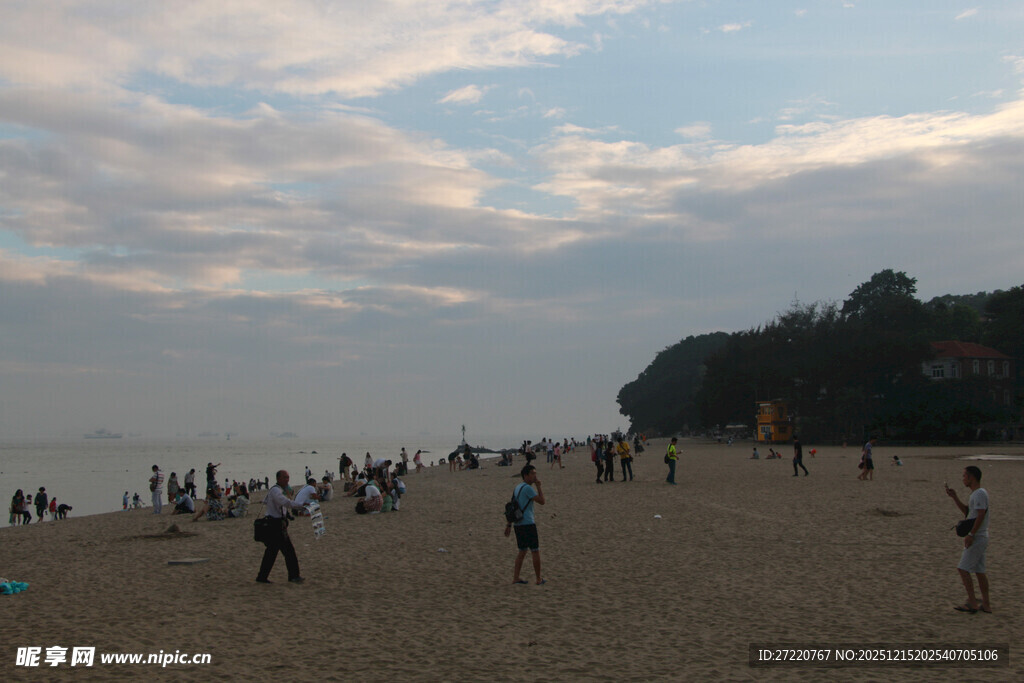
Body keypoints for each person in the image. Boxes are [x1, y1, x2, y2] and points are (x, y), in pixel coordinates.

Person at [945, 466, 991, 613]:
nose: (963, 478)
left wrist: (971, 535)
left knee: (963, 569)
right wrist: (955, 497)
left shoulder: (979, 494)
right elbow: (968, 513)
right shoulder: (976, 494)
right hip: (980, 536)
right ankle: (986, 604)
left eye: (964, 476)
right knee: (979, 570)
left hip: (978, 536)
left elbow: (981, 515)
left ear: (971, 478)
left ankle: (972, 603)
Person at [256, 470, 305, 584]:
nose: (287, 479)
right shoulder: (275, 490)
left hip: (278, 523)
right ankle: (293, 576)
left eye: (288, 477)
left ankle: (262, 576)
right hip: (274, 525)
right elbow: (285, 502)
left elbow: (274, 502)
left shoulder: (279, 490)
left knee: (272, 552)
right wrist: (301, 505)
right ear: (278, 478)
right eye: (284, 477)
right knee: (286, 551)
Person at [504, 464, 546, 585]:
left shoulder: (517, 487)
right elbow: (542, 501)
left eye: (535, 473)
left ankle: (516, 577)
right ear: (526, 475)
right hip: (527, 523)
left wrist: (508, 524)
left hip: (518, 524)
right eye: (532, 473)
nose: (535, 476)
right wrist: (539, 487)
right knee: (535, 550)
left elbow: (511, 507)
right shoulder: (527, 488)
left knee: (522, 551)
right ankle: (538, 579)